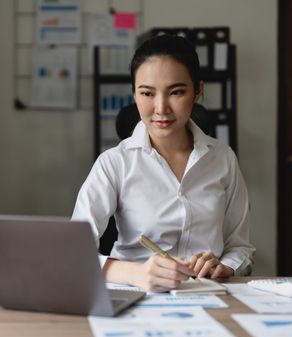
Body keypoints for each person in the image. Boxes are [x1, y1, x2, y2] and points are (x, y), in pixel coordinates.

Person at [72, 34, 255, 292]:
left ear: (198, 91)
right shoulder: (114, 163)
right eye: (147, 93)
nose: (161, 108)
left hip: (209, 294)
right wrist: (135, 273)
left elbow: (240, 247)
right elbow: (73, 254)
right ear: (134, 94)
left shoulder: (223, 158)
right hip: (135, 297)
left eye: (177, 92)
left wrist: (226, 266)